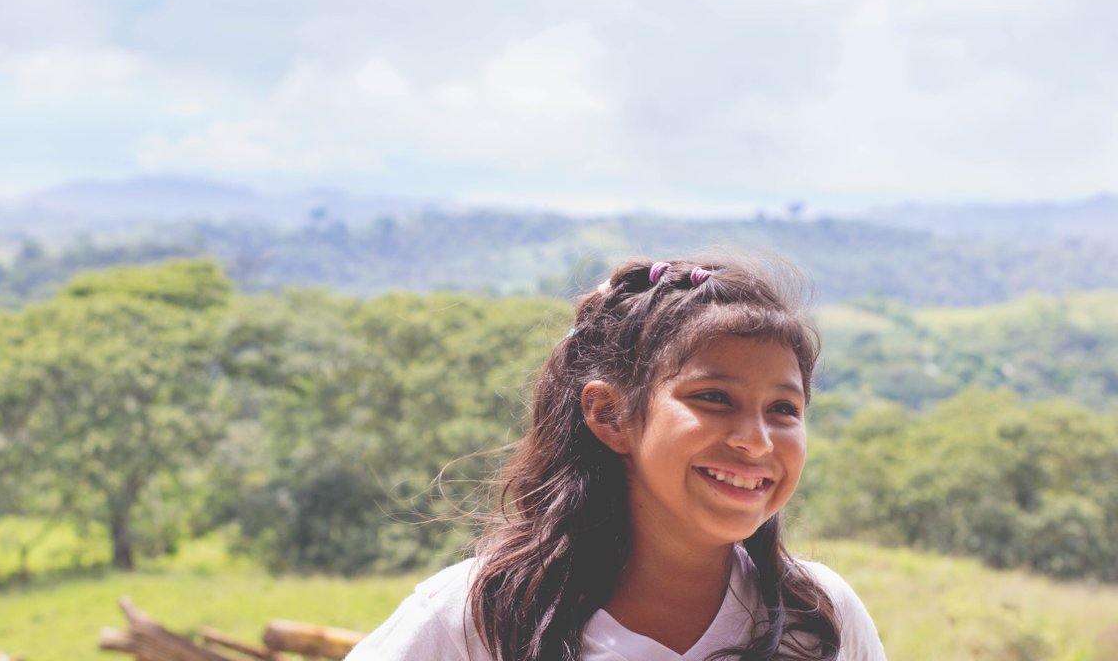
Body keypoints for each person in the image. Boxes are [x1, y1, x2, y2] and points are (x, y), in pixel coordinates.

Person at [347, 255, 887, 660]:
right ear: (610, 415)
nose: (757, 440)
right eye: (713, 398)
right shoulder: (480, 616)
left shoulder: (817, 619)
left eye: (784, 409)